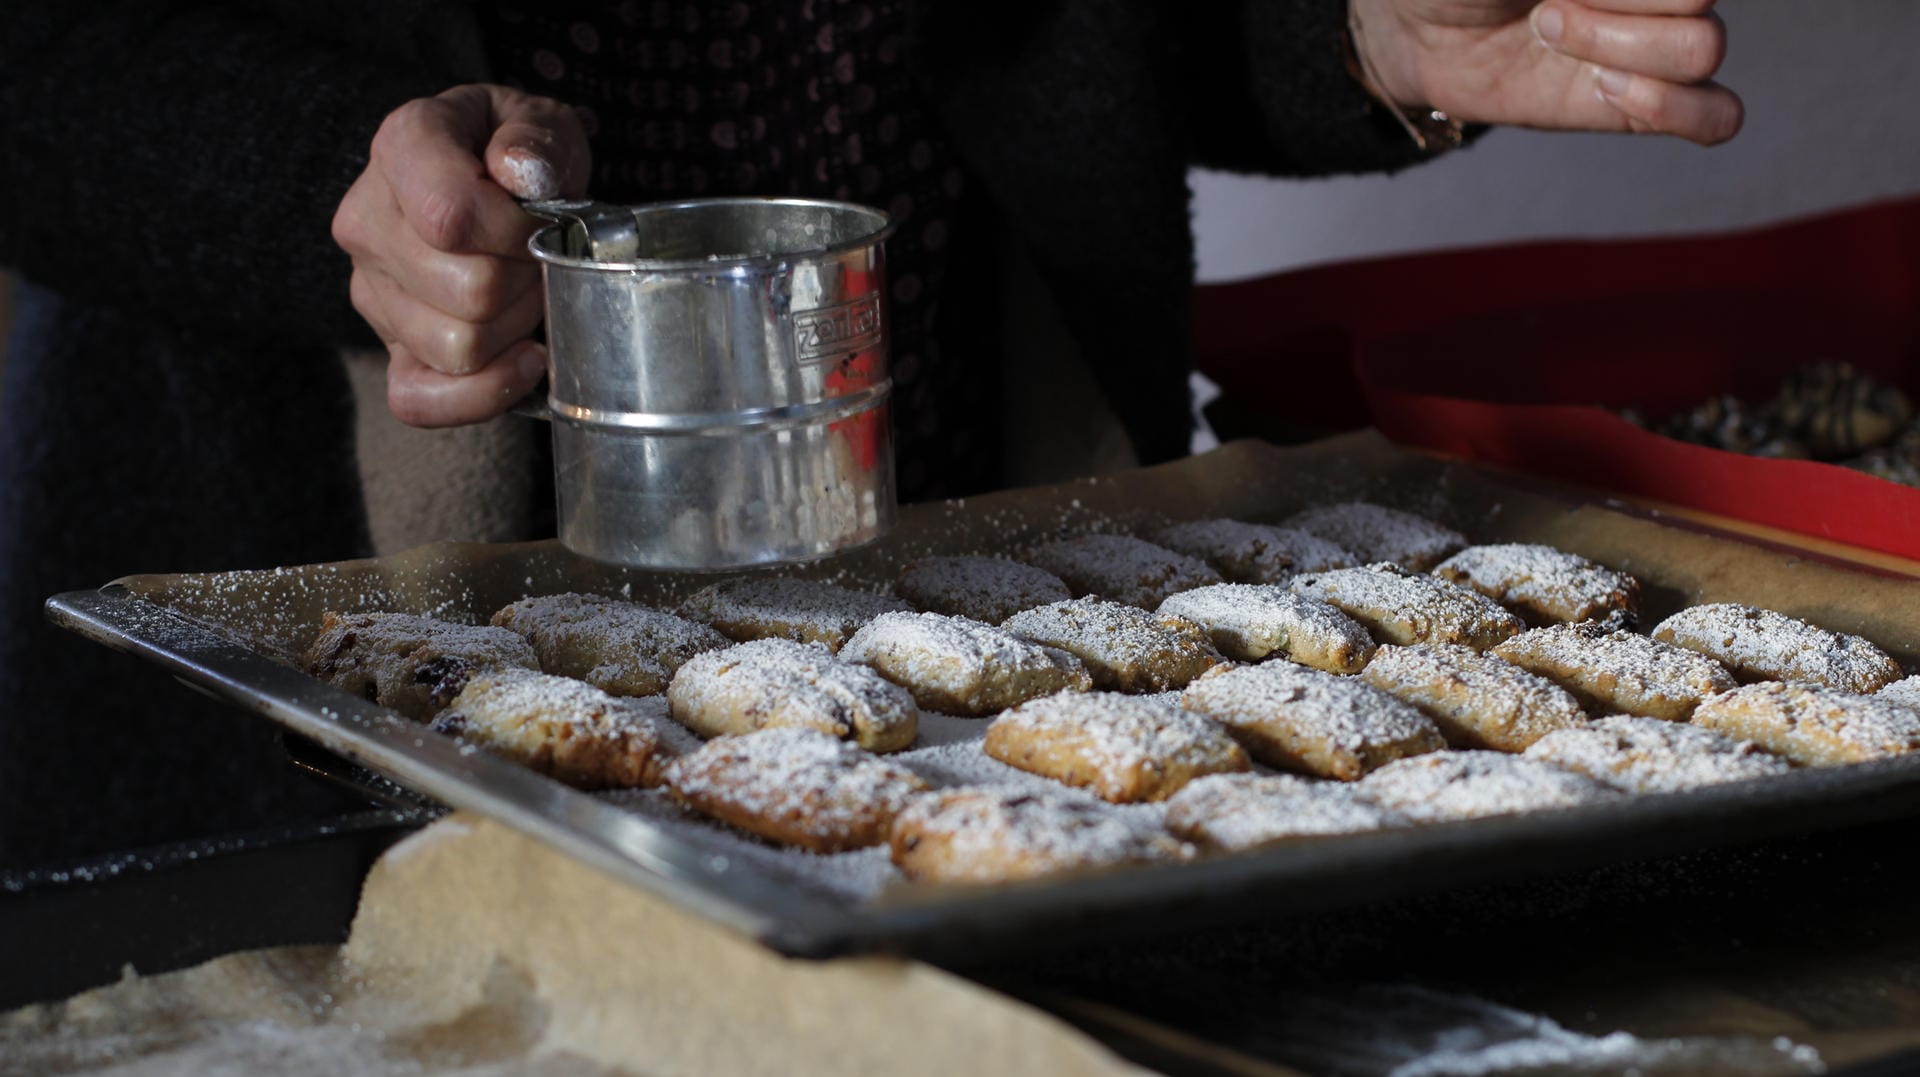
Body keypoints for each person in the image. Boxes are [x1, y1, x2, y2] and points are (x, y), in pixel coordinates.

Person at [0, 0, 1735, 867]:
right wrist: (316, 181)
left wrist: (1345, 28)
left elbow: (1105, 32)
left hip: (984, 520)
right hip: (297, 524)